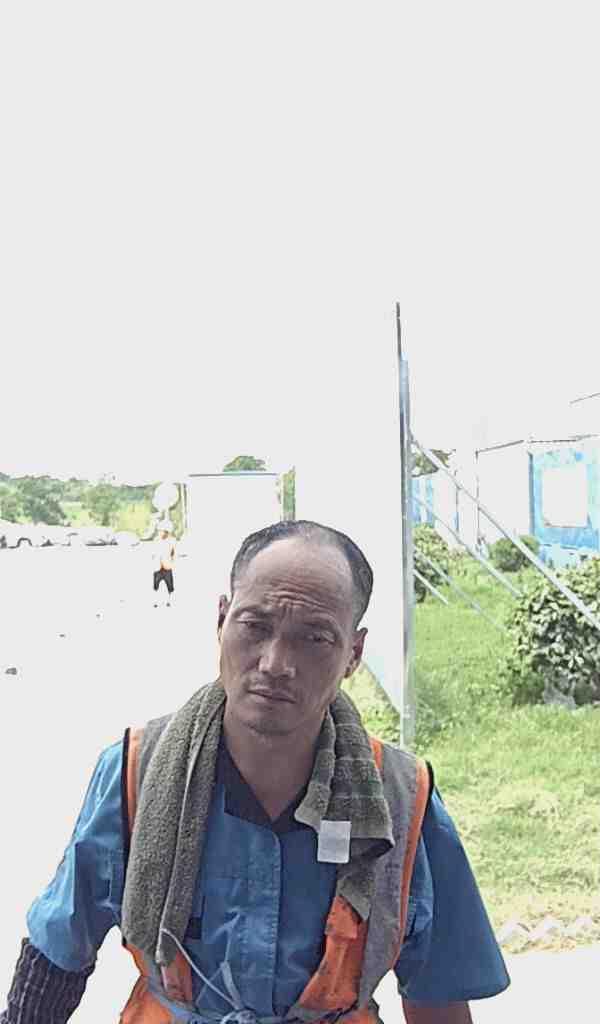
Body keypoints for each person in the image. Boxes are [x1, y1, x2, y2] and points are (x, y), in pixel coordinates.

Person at [1, 520, 510, 1024]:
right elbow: (57, 952)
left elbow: (438, 991)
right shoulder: (138, 770)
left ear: (353, 654)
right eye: (255, 626)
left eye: (314, 638)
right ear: (222, 619)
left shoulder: (401, 799)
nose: (275, 663)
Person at [152, 521, 176, 607]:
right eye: (161, 531)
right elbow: (153, 552)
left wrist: (172, 561)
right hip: (157, 566)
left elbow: (173, 553)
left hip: (167, 567)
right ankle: (155, 602)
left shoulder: (172, 541)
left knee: (170, 586)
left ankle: (169, 601)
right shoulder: (156, 540)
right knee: (155, 585)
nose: (162, 533)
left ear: (167, 532)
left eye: (164, 531)